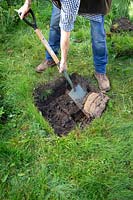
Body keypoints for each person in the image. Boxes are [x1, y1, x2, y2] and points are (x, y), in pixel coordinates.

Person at [18, 0, 112, 92]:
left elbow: (65, 29)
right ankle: (51, 58)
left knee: (98, 37)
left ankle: (100, 71)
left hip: (94, 3)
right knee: (55, 25)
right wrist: (27, 4)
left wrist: (63, 60)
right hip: (62, 2)